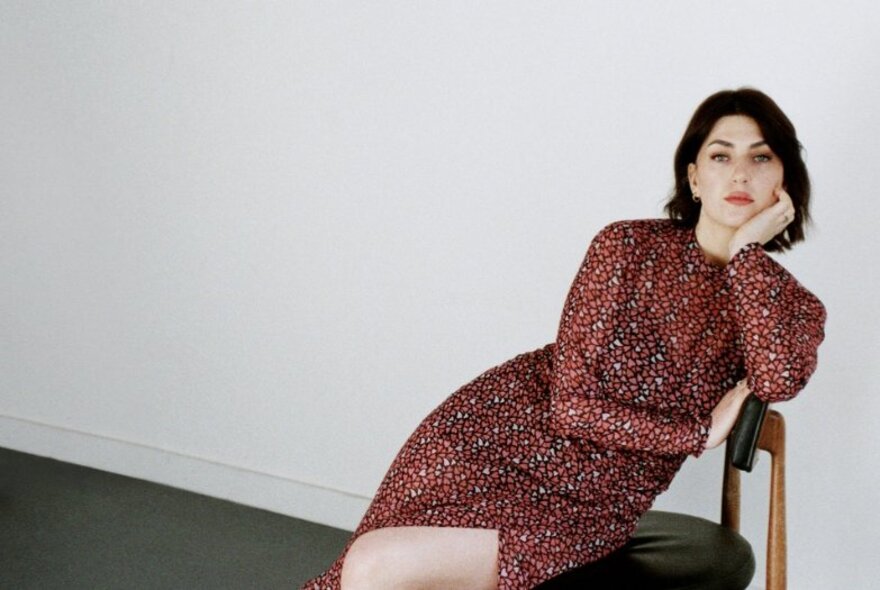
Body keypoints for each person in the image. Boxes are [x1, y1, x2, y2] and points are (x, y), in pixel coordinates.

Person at [301, 87, 827, 590]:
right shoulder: (624, 246)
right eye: (720, 156)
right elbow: (571, 407)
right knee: (364, 567)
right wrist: (693, 435)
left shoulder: (791, 306)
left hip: (588, 501)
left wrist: (745, 260)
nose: (740, 172)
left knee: (374, 568)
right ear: (693, 178)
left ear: (785, 178)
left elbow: (777, 378)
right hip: (489, 438)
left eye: (761, 158)